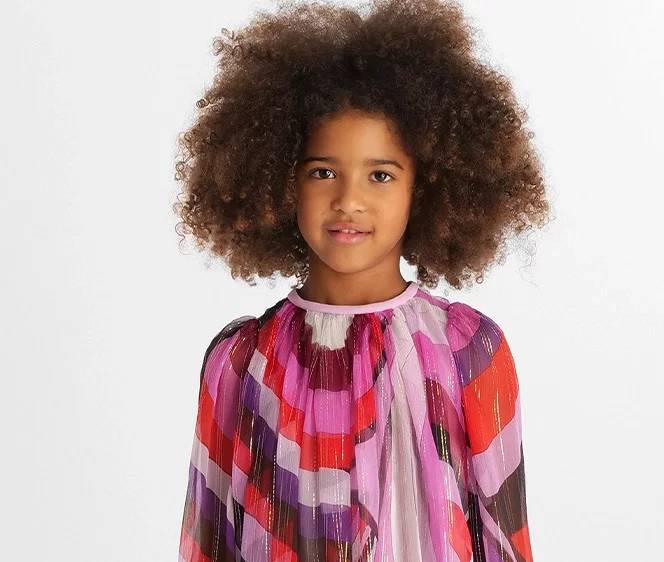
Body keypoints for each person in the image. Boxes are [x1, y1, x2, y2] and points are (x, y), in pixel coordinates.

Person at [173, 1, 550, 560]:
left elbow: (505, 541)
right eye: (323, 171)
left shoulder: (467, 352)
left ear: (426, 187)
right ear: (280, 181)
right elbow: (207, 541)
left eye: (380, 175)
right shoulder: (241, 360)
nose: (349, 200)